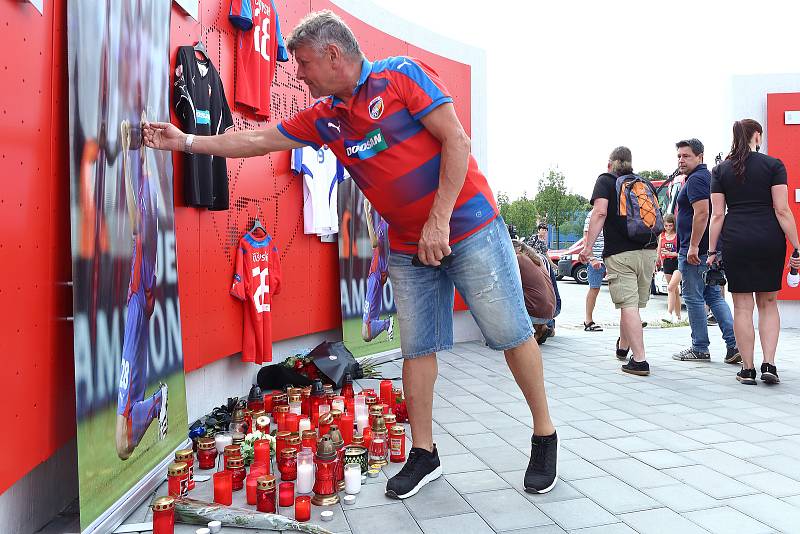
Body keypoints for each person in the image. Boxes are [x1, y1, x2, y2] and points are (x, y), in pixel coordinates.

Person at [142, 10, 558, 498]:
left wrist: (439, 220)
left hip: (469, 229)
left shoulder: (400, 77)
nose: (296, 73)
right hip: (407, 245)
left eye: (302, 63)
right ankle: (424, 454)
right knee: (417, 348)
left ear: (332, 54)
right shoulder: (325, 118)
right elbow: (256, 139)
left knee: (511, 333)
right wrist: (186, 141)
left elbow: (457, 141)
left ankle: (544, 435)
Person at [709, 119, 800, 384]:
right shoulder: (773, 165)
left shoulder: (720, 170)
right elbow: (782, 210)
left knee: (741, 306)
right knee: (769, 303)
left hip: (736, 239)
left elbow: (717, 215)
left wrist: (712, 251)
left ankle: (747, 369)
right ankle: (769, 365)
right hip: (768, 238)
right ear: (757, 136)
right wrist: (796, 244)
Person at [116, 116, 168, 460]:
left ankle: (155, 403)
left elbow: (138, 224)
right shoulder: (147, 181)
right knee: (122, 443)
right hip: (140, 295)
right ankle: (151, 404)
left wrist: (124, 154)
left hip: (138, 297)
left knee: (122, 447)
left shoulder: (145, 196)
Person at [581, 147, 658, 376]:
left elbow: (600, 213)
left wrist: (587, 248)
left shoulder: (605, 180)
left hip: (620, 253)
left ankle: (640, 360)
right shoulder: (642, 183)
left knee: (628, 306)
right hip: (648, 251)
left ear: (610, 164)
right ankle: (624, 347)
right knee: (632, 305)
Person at [671, 139, 740, 364]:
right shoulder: (706, 177)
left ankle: (700, 347)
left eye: (686, 156)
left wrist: (692, 245)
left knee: (693, 298)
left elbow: (702, 213)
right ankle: (734, 345)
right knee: (712, 296)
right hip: (708, 250)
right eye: (679, 156)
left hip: (696, 251)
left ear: (700, 156)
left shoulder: (698, 179)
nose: (681, 160)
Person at [361, 198, 394, 342]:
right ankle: (386, 324)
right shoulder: (385, 223)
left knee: (366, 332)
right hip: (378, 274)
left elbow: (375, 244)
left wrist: (366, 214)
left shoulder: (385, 224)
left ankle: (387, 323)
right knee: (367, 329)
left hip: (375, 275)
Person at [512, 240, 556, 342]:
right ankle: (541, 327)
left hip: (536, 313)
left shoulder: (518, 258)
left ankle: (531, 334)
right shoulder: (538, 260)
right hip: (549, 312)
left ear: (518, 249)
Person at [582, 209, 605, 332]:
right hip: (596, 258)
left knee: (622, 288)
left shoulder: (613, 211)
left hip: (612, 257)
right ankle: (588, 321)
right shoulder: (592, 214)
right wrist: (591, 258)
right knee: (594, 288)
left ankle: (631, 319)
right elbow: (586, 237)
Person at [658, 213, 682, 323]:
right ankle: (678, 316)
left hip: (677, 263)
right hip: (666, 263)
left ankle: (669, 313)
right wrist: (657, 261)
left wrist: (671, 253)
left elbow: (681, 253)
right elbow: (658, 251)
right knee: (674, 290)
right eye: (666, 226)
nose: (668, 228)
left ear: (674, 225)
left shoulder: (678, 235)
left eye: (670, 226)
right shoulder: (662, 236)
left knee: (671, 288)